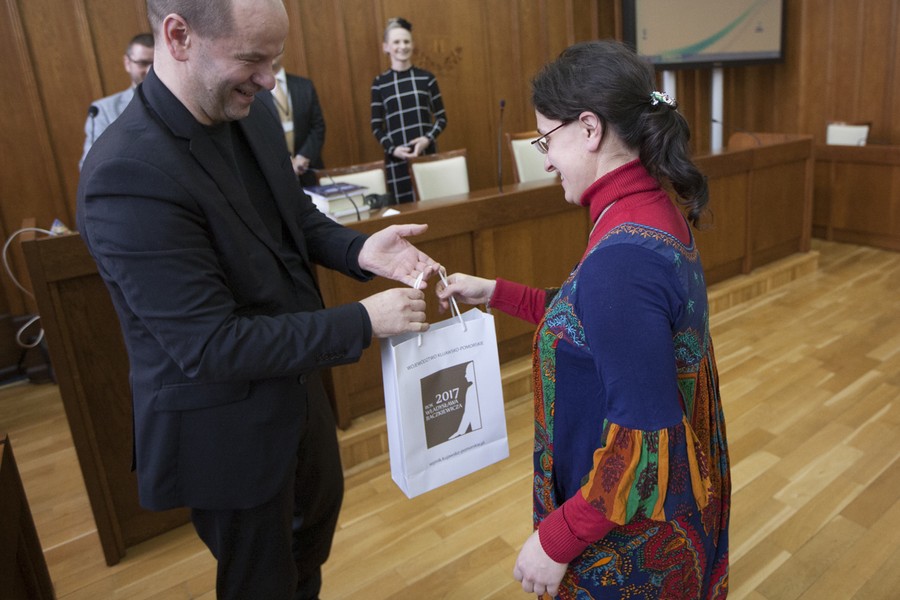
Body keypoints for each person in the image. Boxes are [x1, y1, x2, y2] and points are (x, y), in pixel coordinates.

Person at [76, 1, 439, 598]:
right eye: (252, 59)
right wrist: (362, 320)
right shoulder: (126, 173)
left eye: (277, 60)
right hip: (225, 430)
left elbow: (292, 214)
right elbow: (209, 344)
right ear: (178, 36)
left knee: (309, 548)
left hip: (297, 393)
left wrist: (358, 253)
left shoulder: (254, 109)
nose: (271, 80)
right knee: (260, 582)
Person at [437, 40, 730, 599]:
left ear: (590, 129)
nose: (544, 158)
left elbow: (646, 436)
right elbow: (591, 323)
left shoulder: (621, 259)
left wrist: (556, 540)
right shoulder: (643, 206)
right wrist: (495, 292)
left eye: (547, 138)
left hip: (628, 529)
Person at [370, 17, 447, 203]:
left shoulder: (427, 78)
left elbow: (442, 119)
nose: (402, 46)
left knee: (435, 207)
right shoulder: (380, 84)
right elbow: (376, 127)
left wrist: (427, 139)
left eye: (406, 41)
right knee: (405, 215)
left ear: (412, 44)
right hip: (397, 163)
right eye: (396, 42)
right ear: (386, 47)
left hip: (427, 156)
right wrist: (393, 149)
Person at [79, 33, 154, 170]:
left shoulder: (183, 103)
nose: (150, 70)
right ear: (127, 63)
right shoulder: (103, 110)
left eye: (155, 63)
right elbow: (89, 165)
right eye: (143, 63)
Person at [256, 55, 326, 187]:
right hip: (275, 175)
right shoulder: (254, 92)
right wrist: (285, 161)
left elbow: (318, 127)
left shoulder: (305, 86)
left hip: (308, 170)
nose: (272, 54)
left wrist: (303, 156)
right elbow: (257, 134)